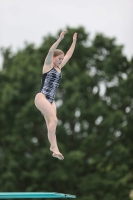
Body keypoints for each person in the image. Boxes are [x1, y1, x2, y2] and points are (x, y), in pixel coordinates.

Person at [34, 30, 77, 160]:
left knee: (51, 124)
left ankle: (55, 149)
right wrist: (60, 39)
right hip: (41, 97)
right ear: (53, 58)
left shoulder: (59, 67)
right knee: (54, 120)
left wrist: (74, 42)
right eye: (59, 59)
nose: (61, 61)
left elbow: (69, 55)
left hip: (51, 99)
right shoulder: (48, 65)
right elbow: (50, 51)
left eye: (61, 60)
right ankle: (53, 147)